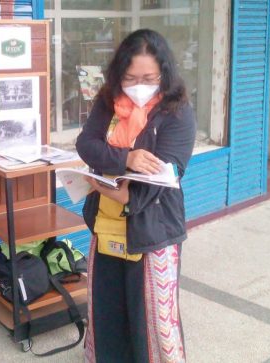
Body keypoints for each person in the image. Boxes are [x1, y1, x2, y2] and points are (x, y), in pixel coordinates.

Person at [75, 29, 196, 362]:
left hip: (153, 231)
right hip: (107, 223)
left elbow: (170, 171)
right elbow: (87, 144)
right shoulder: (108, 101)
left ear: (164, 74)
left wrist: (128, 198)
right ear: (119, 74)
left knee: (153, 321)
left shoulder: (177, 111)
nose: (139, 85)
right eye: (130, 77)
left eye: (149, 77)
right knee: (108, 310)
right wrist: (125, 158)